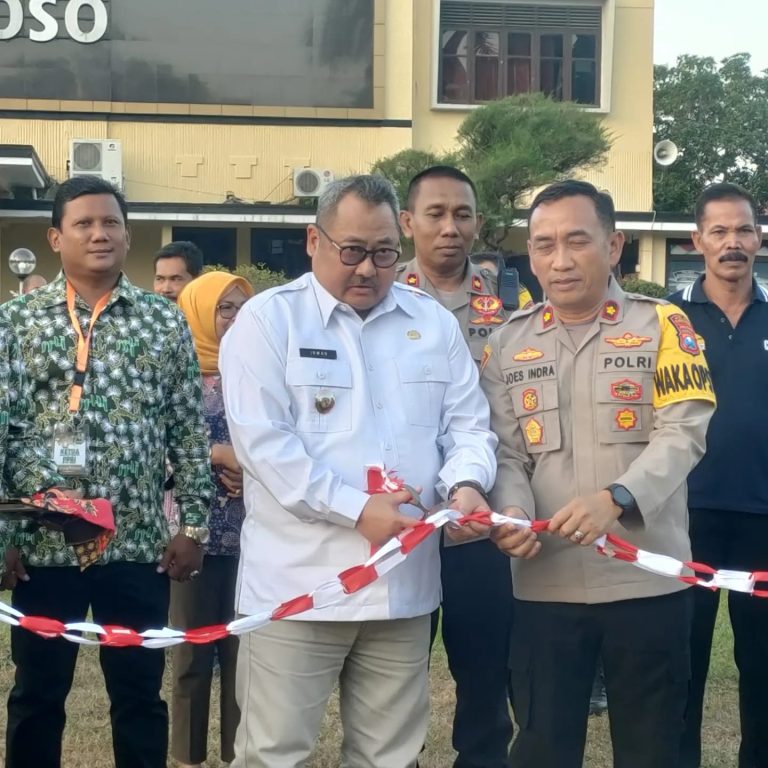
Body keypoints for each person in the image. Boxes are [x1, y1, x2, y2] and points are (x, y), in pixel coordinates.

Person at [220, 174, 497, 768]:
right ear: (313, 241)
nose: (368, 269)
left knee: (389, 757)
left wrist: (467, 484)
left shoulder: (432, 324)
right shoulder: (269, 322)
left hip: (402, 591)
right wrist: (355, 509)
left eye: (383, 253)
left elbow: (469, 426)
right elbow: (265, 446)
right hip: (298, 587)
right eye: (351, 251)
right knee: (273, 754)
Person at [481, 180, 716, 768]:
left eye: (577, 241)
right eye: (544, 245)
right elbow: (506, 453)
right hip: (546, 584)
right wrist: (511, 512)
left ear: (614, 246)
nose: (560, 260)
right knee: (542, 747)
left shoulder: (664, 325)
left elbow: (683, 431)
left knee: (651, 749)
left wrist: (617, 498)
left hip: (648, 581)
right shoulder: (507, 343)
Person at [0, 176, 214, 768]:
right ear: (55, 238)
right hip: (41, 545)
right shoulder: (15, 322)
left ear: (128, 235)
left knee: (140, 696)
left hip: (137, 544)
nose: (100, 234)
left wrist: (192, 527)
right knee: (37, 695)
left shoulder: (162, 321)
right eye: (84, 224)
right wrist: (1, 537)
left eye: (111, 223)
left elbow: (186, 428)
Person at [397, 165, 530, 767]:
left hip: (481, 512)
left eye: (462, 215)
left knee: (484, 663)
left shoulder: (512, 305)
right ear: (408, 222)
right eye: (435, 214)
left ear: (478, 222)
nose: (450, 227)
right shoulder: (382, 296)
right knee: (397, 665)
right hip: (405, 515)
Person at [668, 182, 768, 768]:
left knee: (763, 669)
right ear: (697, 240)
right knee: (683, 666)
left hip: (763, 520)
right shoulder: (667, 319)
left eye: (744, 230)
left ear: (759, 238)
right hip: (685, 517)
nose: (733, 242)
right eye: (720, 231)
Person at [171, 271, 254, 768]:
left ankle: (239, 755)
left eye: (244, 307)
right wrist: (217, 453)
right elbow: (153, 446)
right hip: (192, 533)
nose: (236, 317)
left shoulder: (261, 369)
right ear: (200, 312)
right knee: (191, 655)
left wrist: (253, 470)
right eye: (225, 307)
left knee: (246, 658)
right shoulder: (175, 372)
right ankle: (187, 757)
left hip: (253, 535)